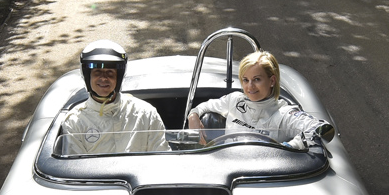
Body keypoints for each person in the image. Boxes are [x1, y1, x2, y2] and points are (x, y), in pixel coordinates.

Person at [187, 50, 332, 149]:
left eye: (257, 79)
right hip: (228, 167)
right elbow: (205, 107)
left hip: (264, 178)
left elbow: (323, 129)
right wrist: (193, 114)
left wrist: (288, 147)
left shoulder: (285, 114)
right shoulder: (235, 100)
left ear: (272, 81)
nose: (250, 86)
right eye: (245, 80)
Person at [63, 41, 169, 154]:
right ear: (87, 76)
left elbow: (161, 157)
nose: (103, 78)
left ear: (119, 77)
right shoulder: (74, 121)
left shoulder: (146, 114)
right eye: (97, 72)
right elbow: (75, 168)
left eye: (110, 72)